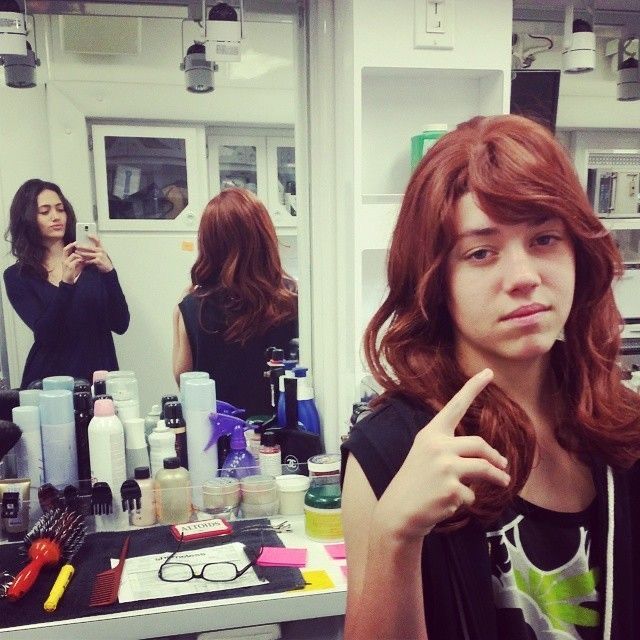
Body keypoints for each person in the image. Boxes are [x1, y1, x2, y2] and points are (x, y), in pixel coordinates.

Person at [341, 115, 640, 640]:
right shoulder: (389, 449)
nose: (524, 277)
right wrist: (397, 534)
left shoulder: (622, 430)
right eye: (481, 252)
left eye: (545, 239)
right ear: (436, 281)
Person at [173, 187, 297, 416]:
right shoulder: (293, 303)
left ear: (208, 244)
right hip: (280, 438)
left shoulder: (192, 307)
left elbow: (185, 383)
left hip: (214, 439)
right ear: (264, 237)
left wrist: (179, 314)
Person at [3, 179, 130, 388]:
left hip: (98, 377)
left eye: (60, 209)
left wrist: (109, 272)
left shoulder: (93, 263)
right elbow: (46, 335)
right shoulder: (18, 276)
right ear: (27, 218)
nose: (56, 217)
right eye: (44, 211)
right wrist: (66, 283)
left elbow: (120, 324)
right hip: (50, 382)